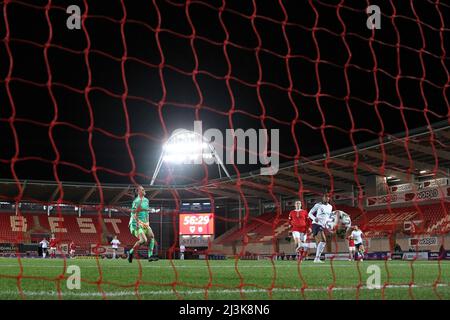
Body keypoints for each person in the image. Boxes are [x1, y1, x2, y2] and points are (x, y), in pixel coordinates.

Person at [128, 185, 159, 263]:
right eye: (142, 190)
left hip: (145, 223)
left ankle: (150, 256)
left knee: (152, 237)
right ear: (138, 191)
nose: (144, 190)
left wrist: (147, 222)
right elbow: (133, 214)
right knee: (143, 240)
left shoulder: (146, 200)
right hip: (136, 224)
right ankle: (131, 252)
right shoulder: (136, 201)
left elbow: (147, 212)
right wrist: (138, 223)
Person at [308, 193, 334, 263]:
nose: (326, 198)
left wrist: (331, 223)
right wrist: (314, 218)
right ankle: (316, 258)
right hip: (316, 224)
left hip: (323, 225)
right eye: (325, 197)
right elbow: (309, 213)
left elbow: (328, 217)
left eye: (328, 197)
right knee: (323, 240)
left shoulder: (330, 207)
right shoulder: (318, 205)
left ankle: (317, 258)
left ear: (329, 199)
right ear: (323, 198)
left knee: (321, 242)